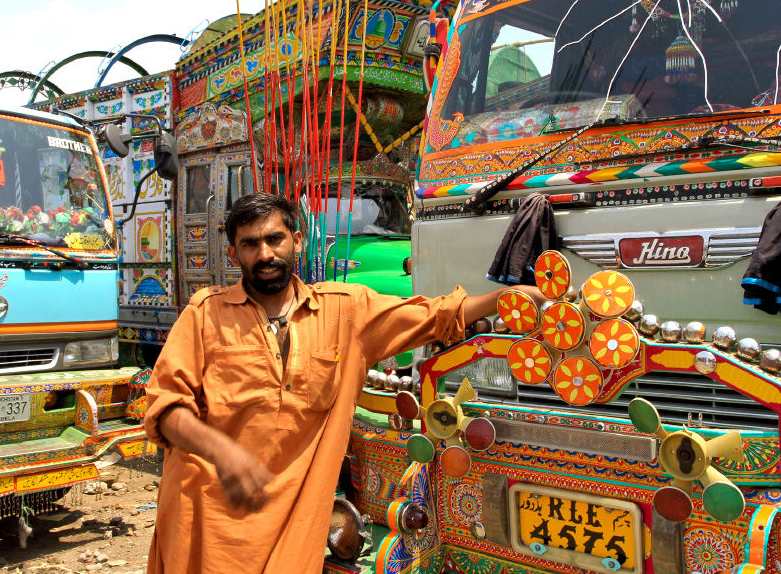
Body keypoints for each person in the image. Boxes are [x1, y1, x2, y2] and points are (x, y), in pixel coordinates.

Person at [143, 192, 543, 573]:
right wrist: (222, 452)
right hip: (207, 519)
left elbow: (433, 315)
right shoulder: (204, 314)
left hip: (291, 520)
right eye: (250, 244)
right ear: (233, 253)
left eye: (274, 239)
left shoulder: (345, 310)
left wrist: (505, 299)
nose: (264, 254)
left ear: (297, 241)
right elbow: (165, 409)